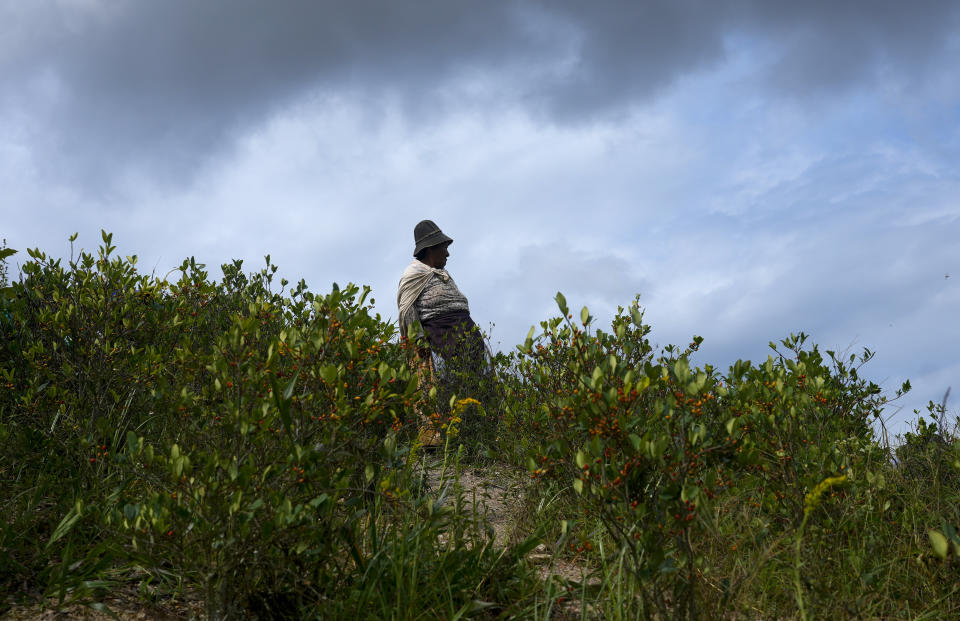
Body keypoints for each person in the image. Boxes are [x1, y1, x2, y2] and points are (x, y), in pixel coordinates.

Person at [397, 220, 488, 444]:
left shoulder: (442, 274)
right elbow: (407, 310)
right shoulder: (414, 275)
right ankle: (435, 442)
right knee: (436, 388)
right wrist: (418, 342)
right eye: (442, 248)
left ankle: (474, 435)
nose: (447, 253)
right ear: (429, 249)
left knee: (473, 385)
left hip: (464, 337)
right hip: (437, 338)